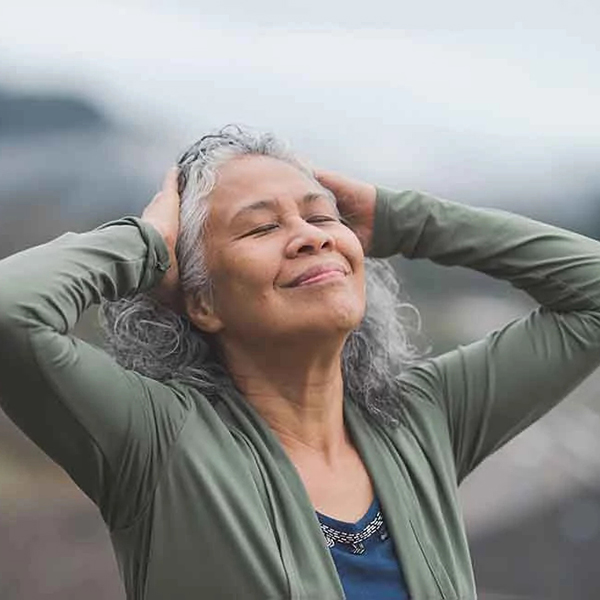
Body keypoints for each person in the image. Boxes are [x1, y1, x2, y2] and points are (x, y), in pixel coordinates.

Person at [1, 125, 599, 600]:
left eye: (322, 217)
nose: (310, 236)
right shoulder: (159, 441)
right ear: (203, 302)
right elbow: (9, 314)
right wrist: (146, 242)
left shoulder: (421, 419)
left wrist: (404, 219)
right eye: (260, 227)